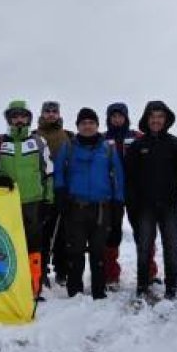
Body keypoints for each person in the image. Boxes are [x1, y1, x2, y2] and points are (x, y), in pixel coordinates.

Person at [126, 101, 177, 300]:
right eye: (152, 117)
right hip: (145, 206)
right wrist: (131, 204)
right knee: (144, 246)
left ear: (166, 120)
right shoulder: (137, 146)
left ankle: (171, 288)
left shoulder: (176, 144)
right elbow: (130, 179)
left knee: (171, 247)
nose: (156, 120)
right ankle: (142, 285)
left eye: (160, 117)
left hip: (171, 205)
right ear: (146, 120)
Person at [53, 108, 124, 299]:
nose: (87, 126)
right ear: (78, 126)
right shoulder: (68, 148)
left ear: (97, 126)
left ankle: (98, 291)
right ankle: (75, 291)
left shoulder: (108, 149)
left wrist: (118, 204)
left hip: (102, 208)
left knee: (98, 251)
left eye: (91, 122)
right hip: (75, 207)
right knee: (75, 251)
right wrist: (60, 194)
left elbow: (118, 177)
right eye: (83, 123)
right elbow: (59, 172)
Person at [0, 100, 53, 300]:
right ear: (8, 119)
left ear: (28, 118)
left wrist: (48, 201)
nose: (18, 120)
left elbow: (49, 173)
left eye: (22, 116)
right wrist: (0, 178)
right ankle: (11, 286)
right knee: (9, 245)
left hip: (34, 202)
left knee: (34, 245)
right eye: (14, 116)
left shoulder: (39, 142)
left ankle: (34, 286)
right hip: (7, 202)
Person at [102, 102, 158, 291]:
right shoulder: (101, 139)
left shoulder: (137, 137)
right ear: (108, 119)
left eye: (120, 116)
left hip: (138, 194)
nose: (117, 119)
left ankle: (149, 273)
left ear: (126, 118)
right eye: (113, 116)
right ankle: (110, 275)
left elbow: (154, 157)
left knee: (144, 234)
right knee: (111, 235)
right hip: (111, 196)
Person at [34, 101, 72, 286]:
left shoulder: (68, 136)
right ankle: (41, 271)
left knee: (63, 234)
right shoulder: (34, 136)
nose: (51, 115)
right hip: (39, 191)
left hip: (62, 189)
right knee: (42, 234)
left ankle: (62, 271)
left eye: (54, 111)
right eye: (47, 112)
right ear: (42, 114)